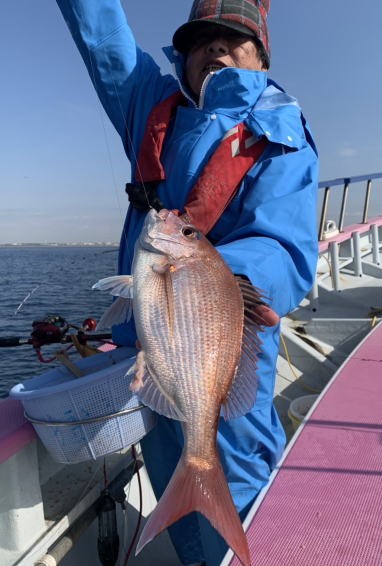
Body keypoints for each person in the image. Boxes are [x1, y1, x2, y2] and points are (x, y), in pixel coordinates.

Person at [55, 1, 319, 564]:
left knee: (237, 477)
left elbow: (284, 245)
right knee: (168, 462)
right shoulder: (151, 105)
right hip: (149, 343)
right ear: (183, 59)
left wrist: (219, 279)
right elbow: (104, 37)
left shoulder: (282, 132)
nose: (216, 48)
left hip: (227, 341)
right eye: (202, 41)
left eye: (234, 40)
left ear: (261, 58)